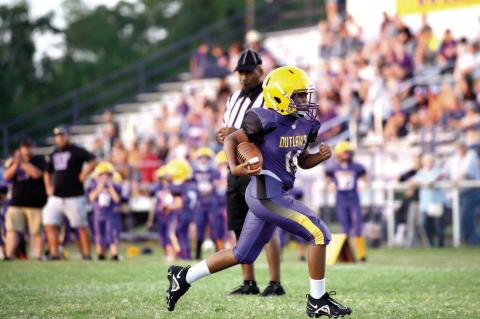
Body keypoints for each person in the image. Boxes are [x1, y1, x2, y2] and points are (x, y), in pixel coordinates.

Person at [166, 66, 352, 318]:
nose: (304, 101)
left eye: (305, 95)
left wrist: (318, 157)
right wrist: (235, 167)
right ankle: (317, 301)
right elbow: (232, 140)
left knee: (242, 254)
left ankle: (183, 276)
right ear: (278, 96)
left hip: (276, 192)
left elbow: (301, 162)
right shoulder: (264, 118)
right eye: (297, 96)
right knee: (318, 233)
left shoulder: (306, 124)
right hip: (265, 191)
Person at [215, 48, 284, 296]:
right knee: (238, 227)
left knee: (266, 227)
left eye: (248, 72)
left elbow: (273, 133)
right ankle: (249, 282)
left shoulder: (270, 96)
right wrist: (223, 135)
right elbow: (227, 131)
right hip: (235, 171)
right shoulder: (233, 98)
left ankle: (275, 282)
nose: (244, 77)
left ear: (261, 71)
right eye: (241, 73)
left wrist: (236, 131)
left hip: (259, 169)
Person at [43, 126, 96, 260]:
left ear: (68, 136)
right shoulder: (54, 152)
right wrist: (48, 187)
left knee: (80, 226)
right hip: (56, 196)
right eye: (57, 136)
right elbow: (47, 172)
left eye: (62, 135)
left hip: (75, 196)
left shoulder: (77, 150)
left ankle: (86, 254)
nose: (59, 138)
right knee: (49, 223)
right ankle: (54, 254)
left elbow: (93, 160)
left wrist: (84, 172)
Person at [3, 139, 47, 260]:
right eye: (24, 147)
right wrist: (16, 164)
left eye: (29, 147)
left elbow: (36, 174)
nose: (26, 149)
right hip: (16, 203)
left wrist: (22, 163)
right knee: (12, 230)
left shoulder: (39, 160)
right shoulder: (14, 162)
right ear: (20, 148)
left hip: (35, 204)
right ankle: (9, 256)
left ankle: (38, 256)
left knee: (36, 232)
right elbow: (6, 176)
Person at [325, 141, 368, 261]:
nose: (347, 155)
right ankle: (346, 255)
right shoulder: (333, 167)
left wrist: (364, 184)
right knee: (345, 228)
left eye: (348, 152)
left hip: (354, 199)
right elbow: (327, 178)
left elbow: (365, 176)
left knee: (357, 226)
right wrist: (328, 185)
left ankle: (362, 255)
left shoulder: (356, 167)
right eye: (344, 152)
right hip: (341, 200)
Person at [191, 147, 223, 259]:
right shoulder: (194, 172)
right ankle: (197, 254)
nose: (203, 160)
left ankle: (219, 253)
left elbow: (217, 184)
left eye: (206, 158)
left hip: (212, 202)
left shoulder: (214, 171)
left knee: (215, 226)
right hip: (200, 203)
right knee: (199, 227)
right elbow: (191, 187)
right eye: (201, 158)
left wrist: (210, 188)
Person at [447, 143, 480, 245]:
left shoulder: (471, 155)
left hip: (471, 190)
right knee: (463, 216)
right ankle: (468, 239)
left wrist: (456, 180)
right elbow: (446, 171)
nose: (460, 149)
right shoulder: (454, 159)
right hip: (459, 192)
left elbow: (466, 172)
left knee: (465, 215)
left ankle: (471, 240)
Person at [87, 162, 122, 260]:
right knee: (98, 234)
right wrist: (99, 188)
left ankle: (114, 254)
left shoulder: (114, 186)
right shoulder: (94, 186)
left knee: (111, 234)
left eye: (107, 175)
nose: (105, 177)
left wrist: (110, 188)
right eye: (102, 175)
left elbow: (117, 199)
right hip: (98, 214)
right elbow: (91, 197)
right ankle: (100, 253)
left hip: (110, 214)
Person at [412, 154, 446, 247]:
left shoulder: (438, 171)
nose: (428, 163)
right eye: (426, 161)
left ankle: (440, 245)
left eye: (430, 161)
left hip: (437, 202)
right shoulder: (421, 172)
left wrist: (432, 182)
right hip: (425, 203)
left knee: (438, 225)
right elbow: (414, 181)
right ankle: (431, 243)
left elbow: (440, 177)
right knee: (425, 224)